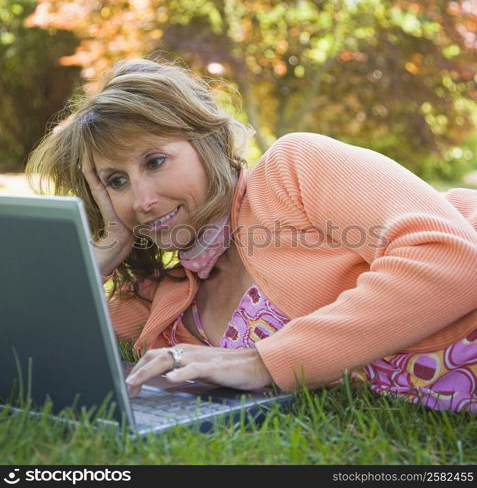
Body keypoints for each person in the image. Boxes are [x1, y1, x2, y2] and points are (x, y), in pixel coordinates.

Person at [26, 58, 477, 413]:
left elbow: (451, 259)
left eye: (155, 161)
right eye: (116, 181)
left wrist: (263, 362)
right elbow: (30, 349)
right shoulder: (159, 301)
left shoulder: (292, 171)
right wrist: (100, 255)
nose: (141, 199)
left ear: (206, 142)